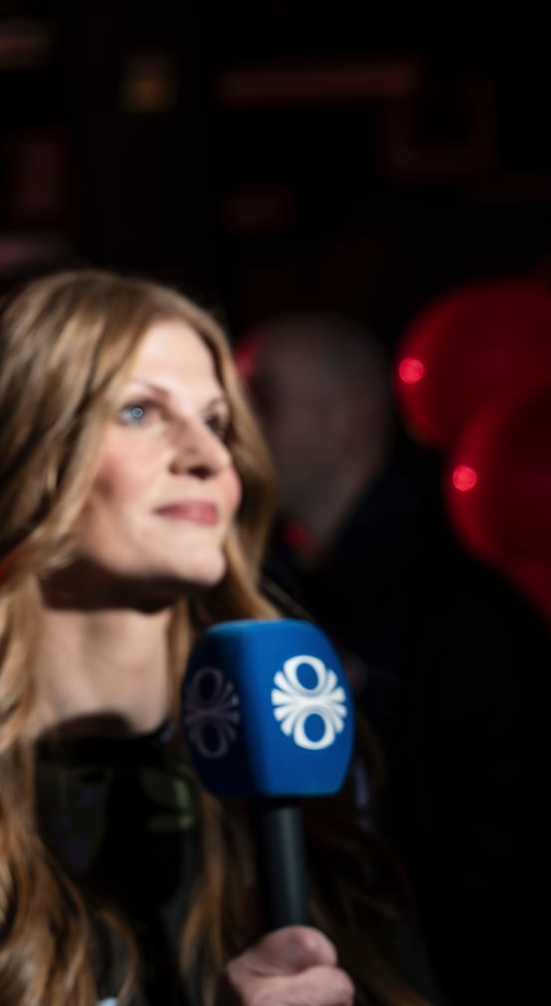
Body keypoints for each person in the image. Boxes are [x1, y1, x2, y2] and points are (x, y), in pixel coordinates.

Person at [0, 271, 438, 1006]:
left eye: (218, 420)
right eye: (139, 411)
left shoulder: (303, 755)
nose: (208, 456)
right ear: (24, 455)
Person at [242, 312, 548, 1004]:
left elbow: (508, 855)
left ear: (348, 413)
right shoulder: (265, 590)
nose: (235, 426)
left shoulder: (461, 607)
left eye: (263, 398)